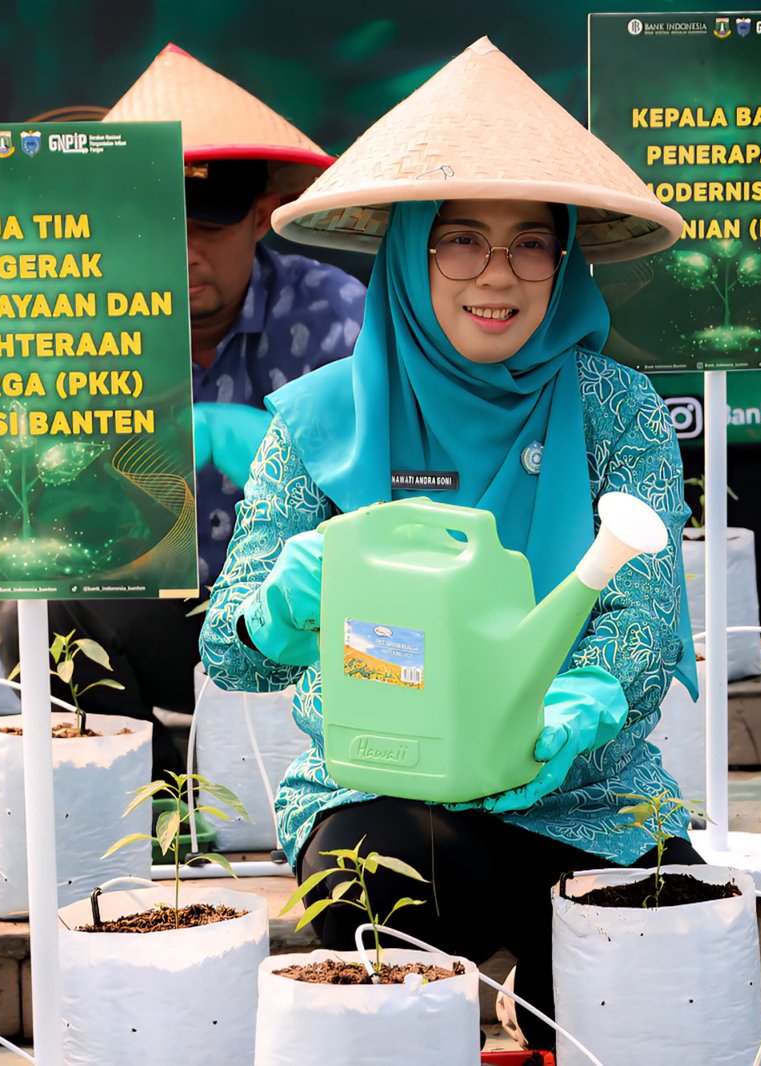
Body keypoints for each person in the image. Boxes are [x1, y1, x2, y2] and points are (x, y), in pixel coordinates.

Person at [200, 38, 699, 1049]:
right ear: (409, 250)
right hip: (380, 781)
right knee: (369, 889)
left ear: (563, 261)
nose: (497, 275)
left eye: (529, 243)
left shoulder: (617, 408)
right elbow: (230, 652)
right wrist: (280, 605)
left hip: (586, 793)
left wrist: (576, 705)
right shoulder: (317, 421)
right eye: (459, 240)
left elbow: (641, 625)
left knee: (649, 952)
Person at [0, 45, 365, 775]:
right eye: (158, 225)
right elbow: (19, 503)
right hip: (155, 613)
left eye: (209, 227)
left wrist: (287, 463)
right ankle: (145, 800)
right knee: (27, 613)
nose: (183, 252)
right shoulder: (71, 323)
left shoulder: (334, 314)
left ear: (262, 218)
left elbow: (390, 502)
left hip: (302, 616)